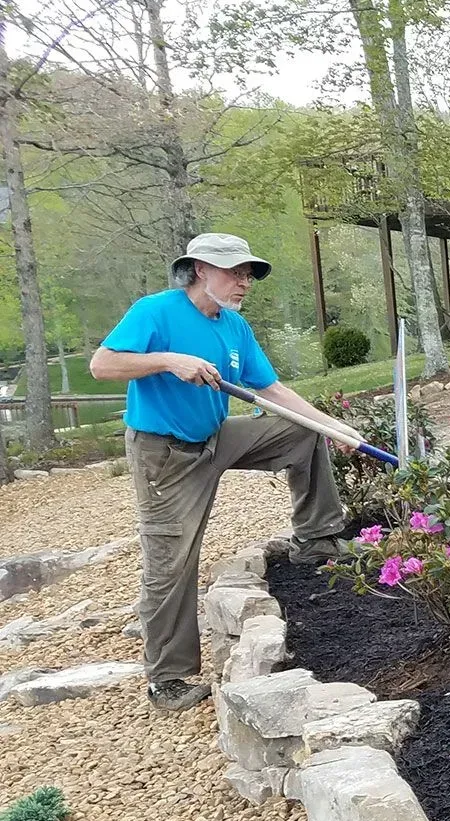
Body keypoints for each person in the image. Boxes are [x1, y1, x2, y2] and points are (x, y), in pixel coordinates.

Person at [90, 233, 365, 711]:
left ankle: (316, 537)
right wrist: (168, 361)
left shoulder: (234, 327)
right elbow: (102, 365)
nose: (244, 283)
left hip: (214, 436)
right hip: (165, 454)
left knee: (299, 432)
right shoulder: (156, 311)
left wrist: (331, 424)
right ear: (200, 269)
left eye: (248, 275)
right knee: (171, 561)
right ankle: (169, 679)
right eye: (235, 273)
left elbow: (272, 389)